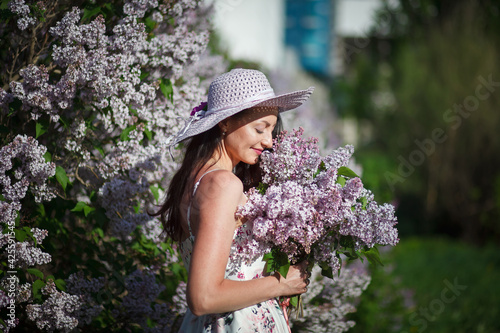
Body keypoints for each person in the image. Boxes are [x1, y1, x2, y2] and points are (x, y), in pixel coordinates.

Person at [154, 68, 314, 332]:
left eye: (272, 131)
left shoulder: (194, 180)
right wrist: (282, 283)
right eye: (260, 129)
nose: (269, 142)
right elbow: (203, 297)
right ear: (224, 122)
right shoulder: (223, 184)